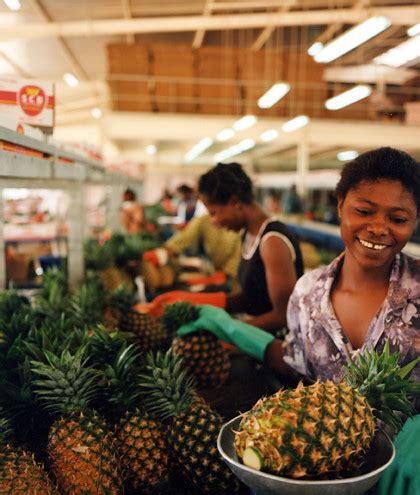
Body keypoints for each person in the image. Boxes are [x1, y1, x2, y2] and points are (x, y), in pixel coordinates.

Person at [198, 162, 304, 333]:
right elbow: (253, 298)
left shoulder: (272, 241)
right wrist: (201, 302)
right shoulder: (248, 234)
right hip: (257, 337)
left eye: (214, 213)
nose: (214, 222)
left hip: (275, 347)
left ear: (235, 202)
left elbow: (283, 315)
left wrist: (228, 331)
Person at [143, 213, 242, 286]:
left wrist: (195, 282)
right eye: (211, 213)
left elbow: (226, 274)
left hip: (236, 285)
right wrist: (162, 253)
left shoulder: (240, 231)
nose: (213, 221)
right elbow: (185, 237)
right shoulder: (204, 220)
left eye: (215, 211)